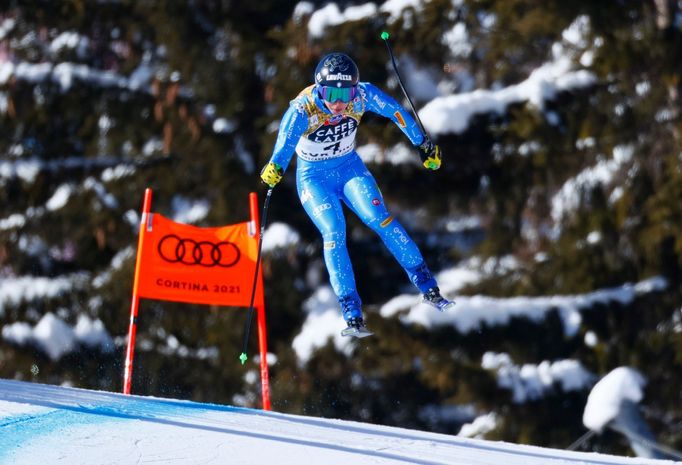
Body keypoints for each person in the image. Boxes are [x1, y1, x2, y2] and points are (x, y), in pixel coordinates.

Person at [260, 52, 453, 337]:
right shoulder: (304, 110)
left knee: (380, 218)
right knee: (334, 232)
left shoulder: (363, 96)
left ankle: (428, 287)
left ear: (355, 88)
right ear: (318, 88)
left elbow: (395, 111)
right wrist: (274, 168)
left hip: (350, 168)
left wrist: (422, 144)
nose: (338, 102)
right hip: (314, 179)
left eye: (345, 93)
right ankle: (351, 312)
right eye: (330, 93)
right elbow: (284, 144)